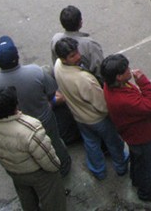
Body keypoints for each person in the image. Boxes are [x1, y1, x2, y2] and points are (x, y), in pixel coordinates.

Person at [0, 37, 72, 176]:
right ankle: (63, 167)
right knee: (54, 144)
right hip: (44, 121)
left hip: (14, 130)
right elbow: (52, 93)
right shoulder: (35, 72)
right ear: (17, 57)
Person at [0, 87, 67, 211]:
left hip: (13, 170)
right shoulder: (31, 128)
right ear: (16, 105)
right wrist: (56, 167)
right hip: (38, 173)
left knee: (27, 199)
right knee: (53, 202)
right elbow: (47, 158)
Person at [53, 37, 129, 180]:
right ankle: (121, 166)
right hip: (97, 119)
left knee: (91, 143)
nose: (78, 57)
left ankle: (98, 170)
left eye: (76, 52)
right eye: (72, 56)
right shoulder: (83, 79)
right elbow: (102, 106)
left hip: (79, 116)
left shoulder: (57, 66)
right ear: (63, 58)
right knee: (114, 142)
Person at [100, 55, 151, 203]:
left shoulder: (110, 85)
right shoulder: (124, 100)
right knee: (148, 164)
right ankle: (146, 192)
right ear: (118, 77)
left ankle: (137, 179)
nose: (130, 71)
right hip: (140, 135)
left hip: (131, 134)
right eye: (126, 70)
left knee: (137, 158)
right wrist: (143, 81)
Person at [50, 5, 106, 79]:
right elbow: (100, 70)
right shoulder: (90, 45)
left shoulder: (55, 39)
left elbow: (56, 63)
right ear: (80, 22)